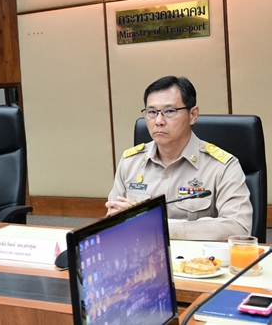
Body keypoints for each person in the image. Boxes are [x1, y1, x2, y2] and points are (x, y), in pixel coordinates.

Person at [106, 76, 252, 241]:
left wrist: (158, 225)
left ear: (193, 115)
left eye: (169, 111)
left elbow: (239, 228)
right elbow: (111, 221)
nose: (159, 121)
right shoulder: (130, 162)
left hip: (198, 257)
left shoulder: (222, 166)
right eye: (152, 112)